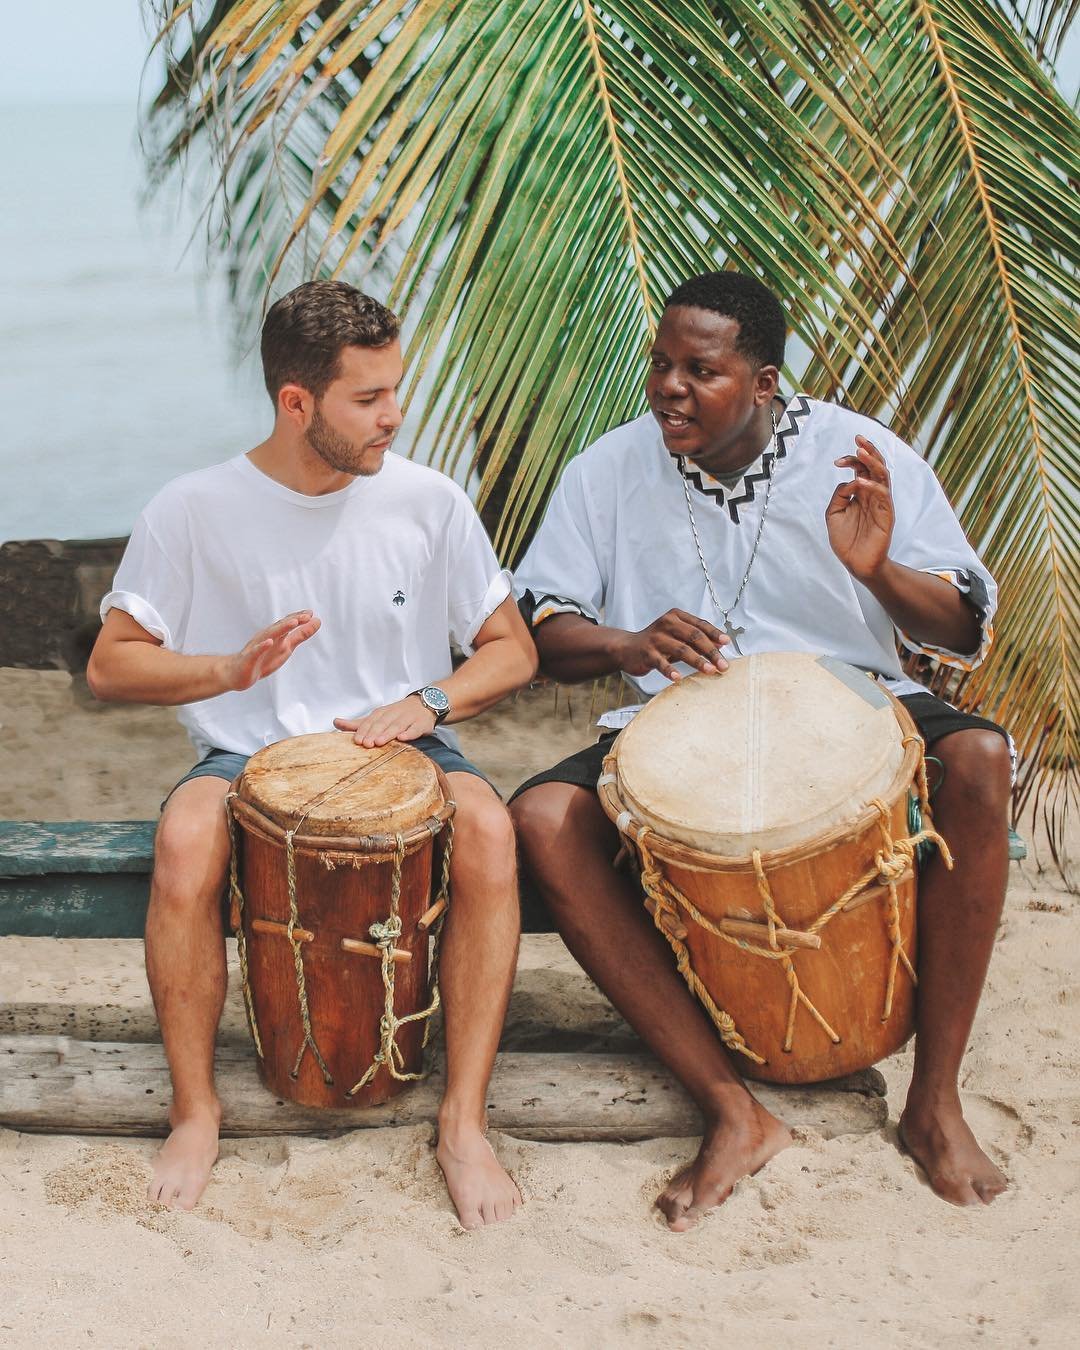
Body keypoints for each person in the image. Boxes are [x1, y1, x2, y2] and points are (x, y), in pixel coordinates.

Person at [510, 270, 1012, 1230]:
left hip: (857, 703)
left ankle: (935, 1101)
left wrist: (879, 570)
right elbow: (542, 629)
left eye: (700, 371)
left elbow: (960, 626)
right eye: (660, 363)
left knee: (983, 759)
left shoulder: (856, 454)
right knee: (541, 816)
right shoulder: (606, 470)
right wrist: (626, 643)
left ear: (765, 382)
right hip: (676, 723)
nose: (669, 388)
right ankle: (732, 1110)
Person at [87, 280, 537, 1228]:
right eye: (367, 398)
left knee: (493, 833)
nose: (393, 415)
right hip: (246, 757)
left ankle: (464, 1121)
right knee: (183, 843)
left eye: (395, 389)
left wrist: (428, 701)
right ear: (297, 403)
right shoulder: (193, 508)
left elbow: (512, 649)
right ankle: (195, 1112)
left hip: (408, 747)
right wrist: (227, 668)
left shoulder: (428, 501)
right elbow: (111, 664)